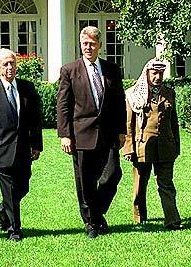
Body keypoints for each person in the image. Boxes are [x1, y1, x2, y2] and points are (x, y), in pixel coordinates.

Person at [57, 26, 126, 238]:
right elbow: (63, 105)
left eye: (92, 44)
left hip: (108, 134)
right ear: (80, 44)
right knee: (85, 182)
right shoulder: (70, 70)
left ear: (99, 46)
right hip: (81, 135)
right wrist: (65, 134)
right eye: (85, 43)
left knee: (112, 175)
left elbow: (119, 103)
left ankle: (95, 214)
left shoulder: (112, 70)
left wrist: (122, 130)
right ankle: (91, 224)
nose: (88, 47)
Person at [0, 48, 43, 241]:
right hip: (0, 150)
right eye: (5, 64)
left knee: (23, 187)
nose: (9, 67)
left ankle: (3, 208)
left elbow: (35, 120)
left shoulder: (27, 88)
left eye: (12, 63)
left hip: (23, 148)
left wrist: (36, 145)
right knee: (9, 190)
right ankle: (14, 229)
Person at [122, 58, 182, 230]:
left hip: (165, 145)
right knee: (140, 183)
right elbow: (129, 123)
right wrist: (128, 147)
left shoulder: (169, 93)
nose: (157, 77)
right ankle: (140, 217)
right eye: (154, 73)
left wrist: (176, 145)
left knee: (166, 184)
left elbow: (173, 121)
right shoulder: (134, 94)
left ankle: (172, 219)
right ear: (147, 73)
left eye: (161, 73)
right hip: (142, 145)